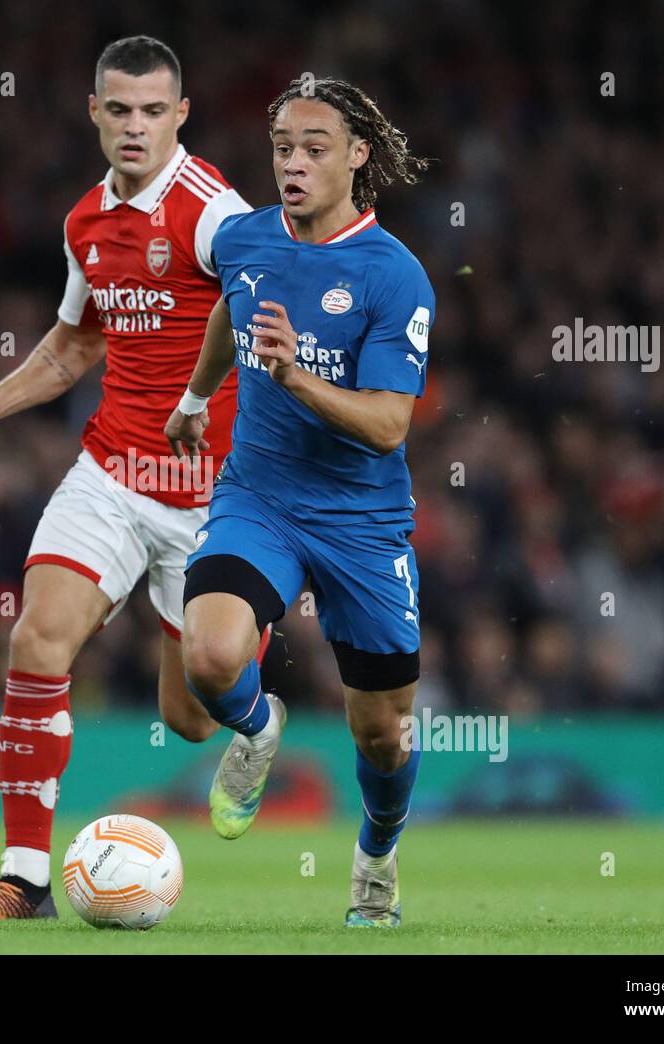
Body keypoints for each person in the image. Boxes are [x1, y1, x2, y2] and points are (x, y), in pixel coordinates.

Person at [0, 36, 253, 920]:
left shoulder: (213, 213)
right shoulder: (86, 221)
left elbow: (267, 308)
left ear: (181, 115)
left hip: (213, 497)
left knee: (193, 715)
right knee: (38, 641)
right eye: (119, 109)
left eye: (154, 111)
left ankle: (256, 719)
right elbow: (76, 341)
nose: (135, 127)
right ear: (95, 112)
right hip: (113, 471)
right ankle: (24, 879)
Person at [164, 76, 434, 927]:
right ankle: (256, 727)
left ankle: (377, 859)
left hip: (362, 523)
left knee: (382, 736)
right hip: (261, 499)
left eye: (316, 147)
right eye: (284, 146)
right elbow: (227, 311)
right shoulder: (244, 239)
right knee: (207, 656)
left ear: (357, 157)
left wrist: (293, 377)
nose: (295, 162)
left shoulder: (396, 277)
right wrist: (197, 397)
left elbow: (389, 426)